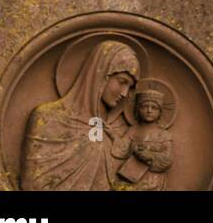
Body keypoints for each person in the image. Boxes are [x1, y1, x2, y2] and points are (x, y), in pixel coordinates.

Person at [20, 40, 139, 191]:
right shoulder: (48, 118)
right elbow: (32, 185)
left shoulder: (111, 136)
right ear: (101, 75)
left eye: (130, 87)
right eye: (122, 82)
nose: (124, 93)